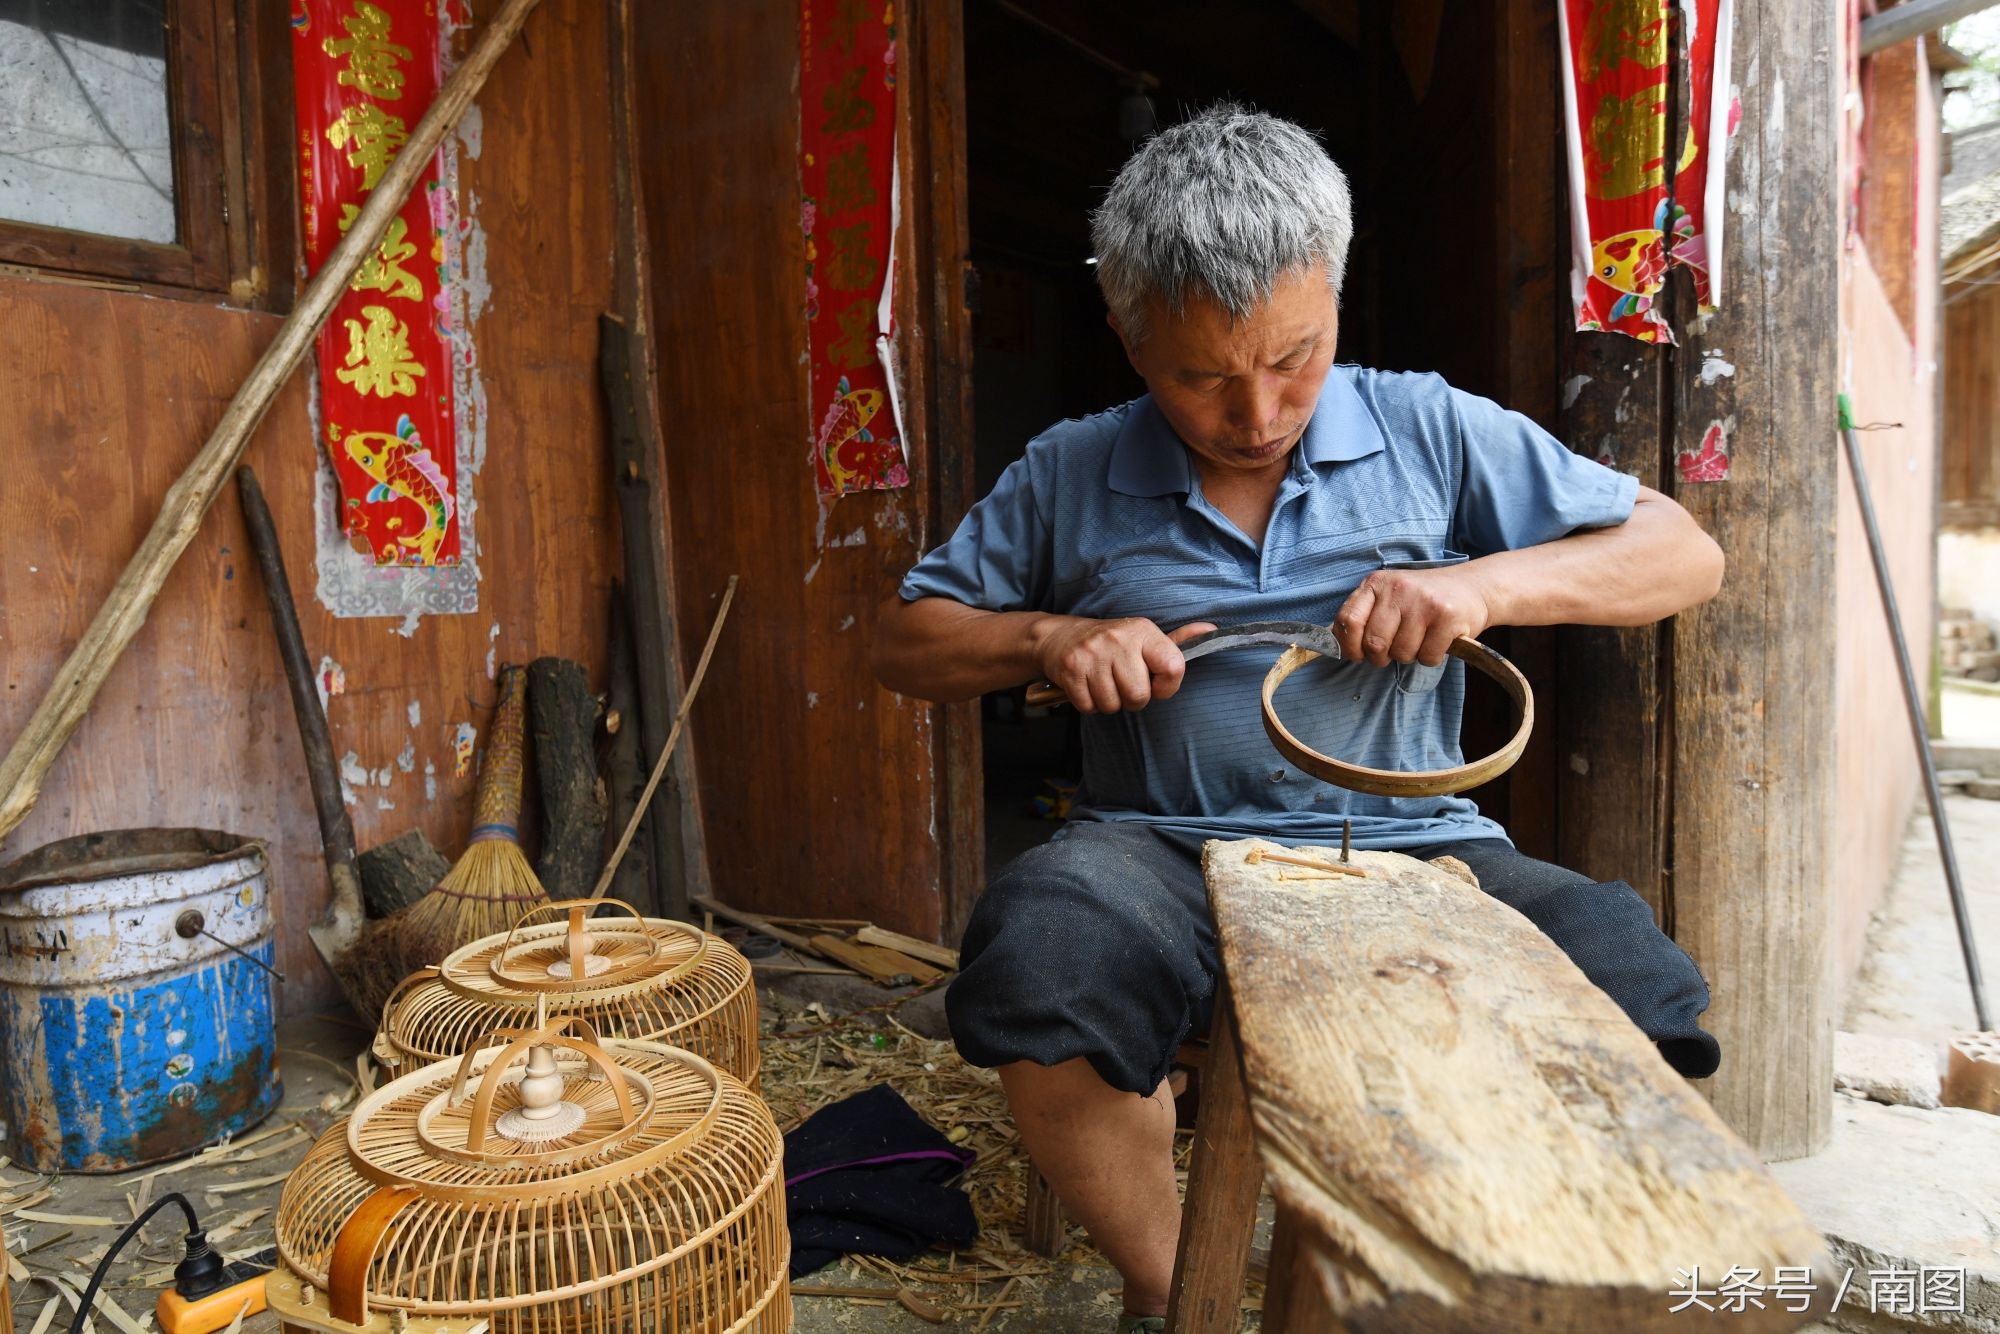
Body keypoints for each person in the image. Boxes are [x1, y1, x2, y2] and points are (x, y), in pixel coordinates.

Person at [872, 104, 1725, 1333]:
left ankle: (1480, 1276)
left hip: (1420, 849)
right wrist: (1048, 637)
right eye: (1202, 376)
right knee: (1041, 958)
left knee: (1628, 983)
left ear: (1332, 289)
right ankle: (1186, 1292)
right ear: (1125, 336)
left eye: (1293, 356)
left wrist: (1478, 584)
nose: (1259, 410)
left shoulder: (1427, 424)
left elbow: (1677, 552)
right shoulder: (1071, 467)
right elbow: (905, 639)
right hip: (1158, 845)